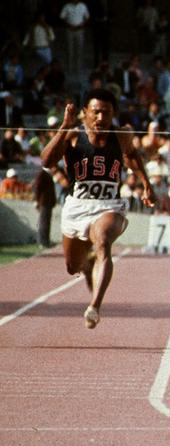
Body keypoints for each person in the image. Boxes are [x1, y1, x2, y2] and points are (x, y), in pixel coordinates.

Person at [39, 90, 156, 329]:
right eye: (96, 112)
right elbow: (47, 162)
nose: (101, 118)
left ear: (113, 113)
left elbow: (132, 157)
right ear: (85, 114)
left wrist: (146, 184)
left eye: (106, 112)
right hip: (77, 206)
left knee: (103, 241)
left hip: (109, 205)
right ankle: (88, 264)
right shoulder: (73, 135)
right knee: (72, 267)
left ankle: (94, 306)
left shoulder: (121, 135)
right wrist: (64, 126)